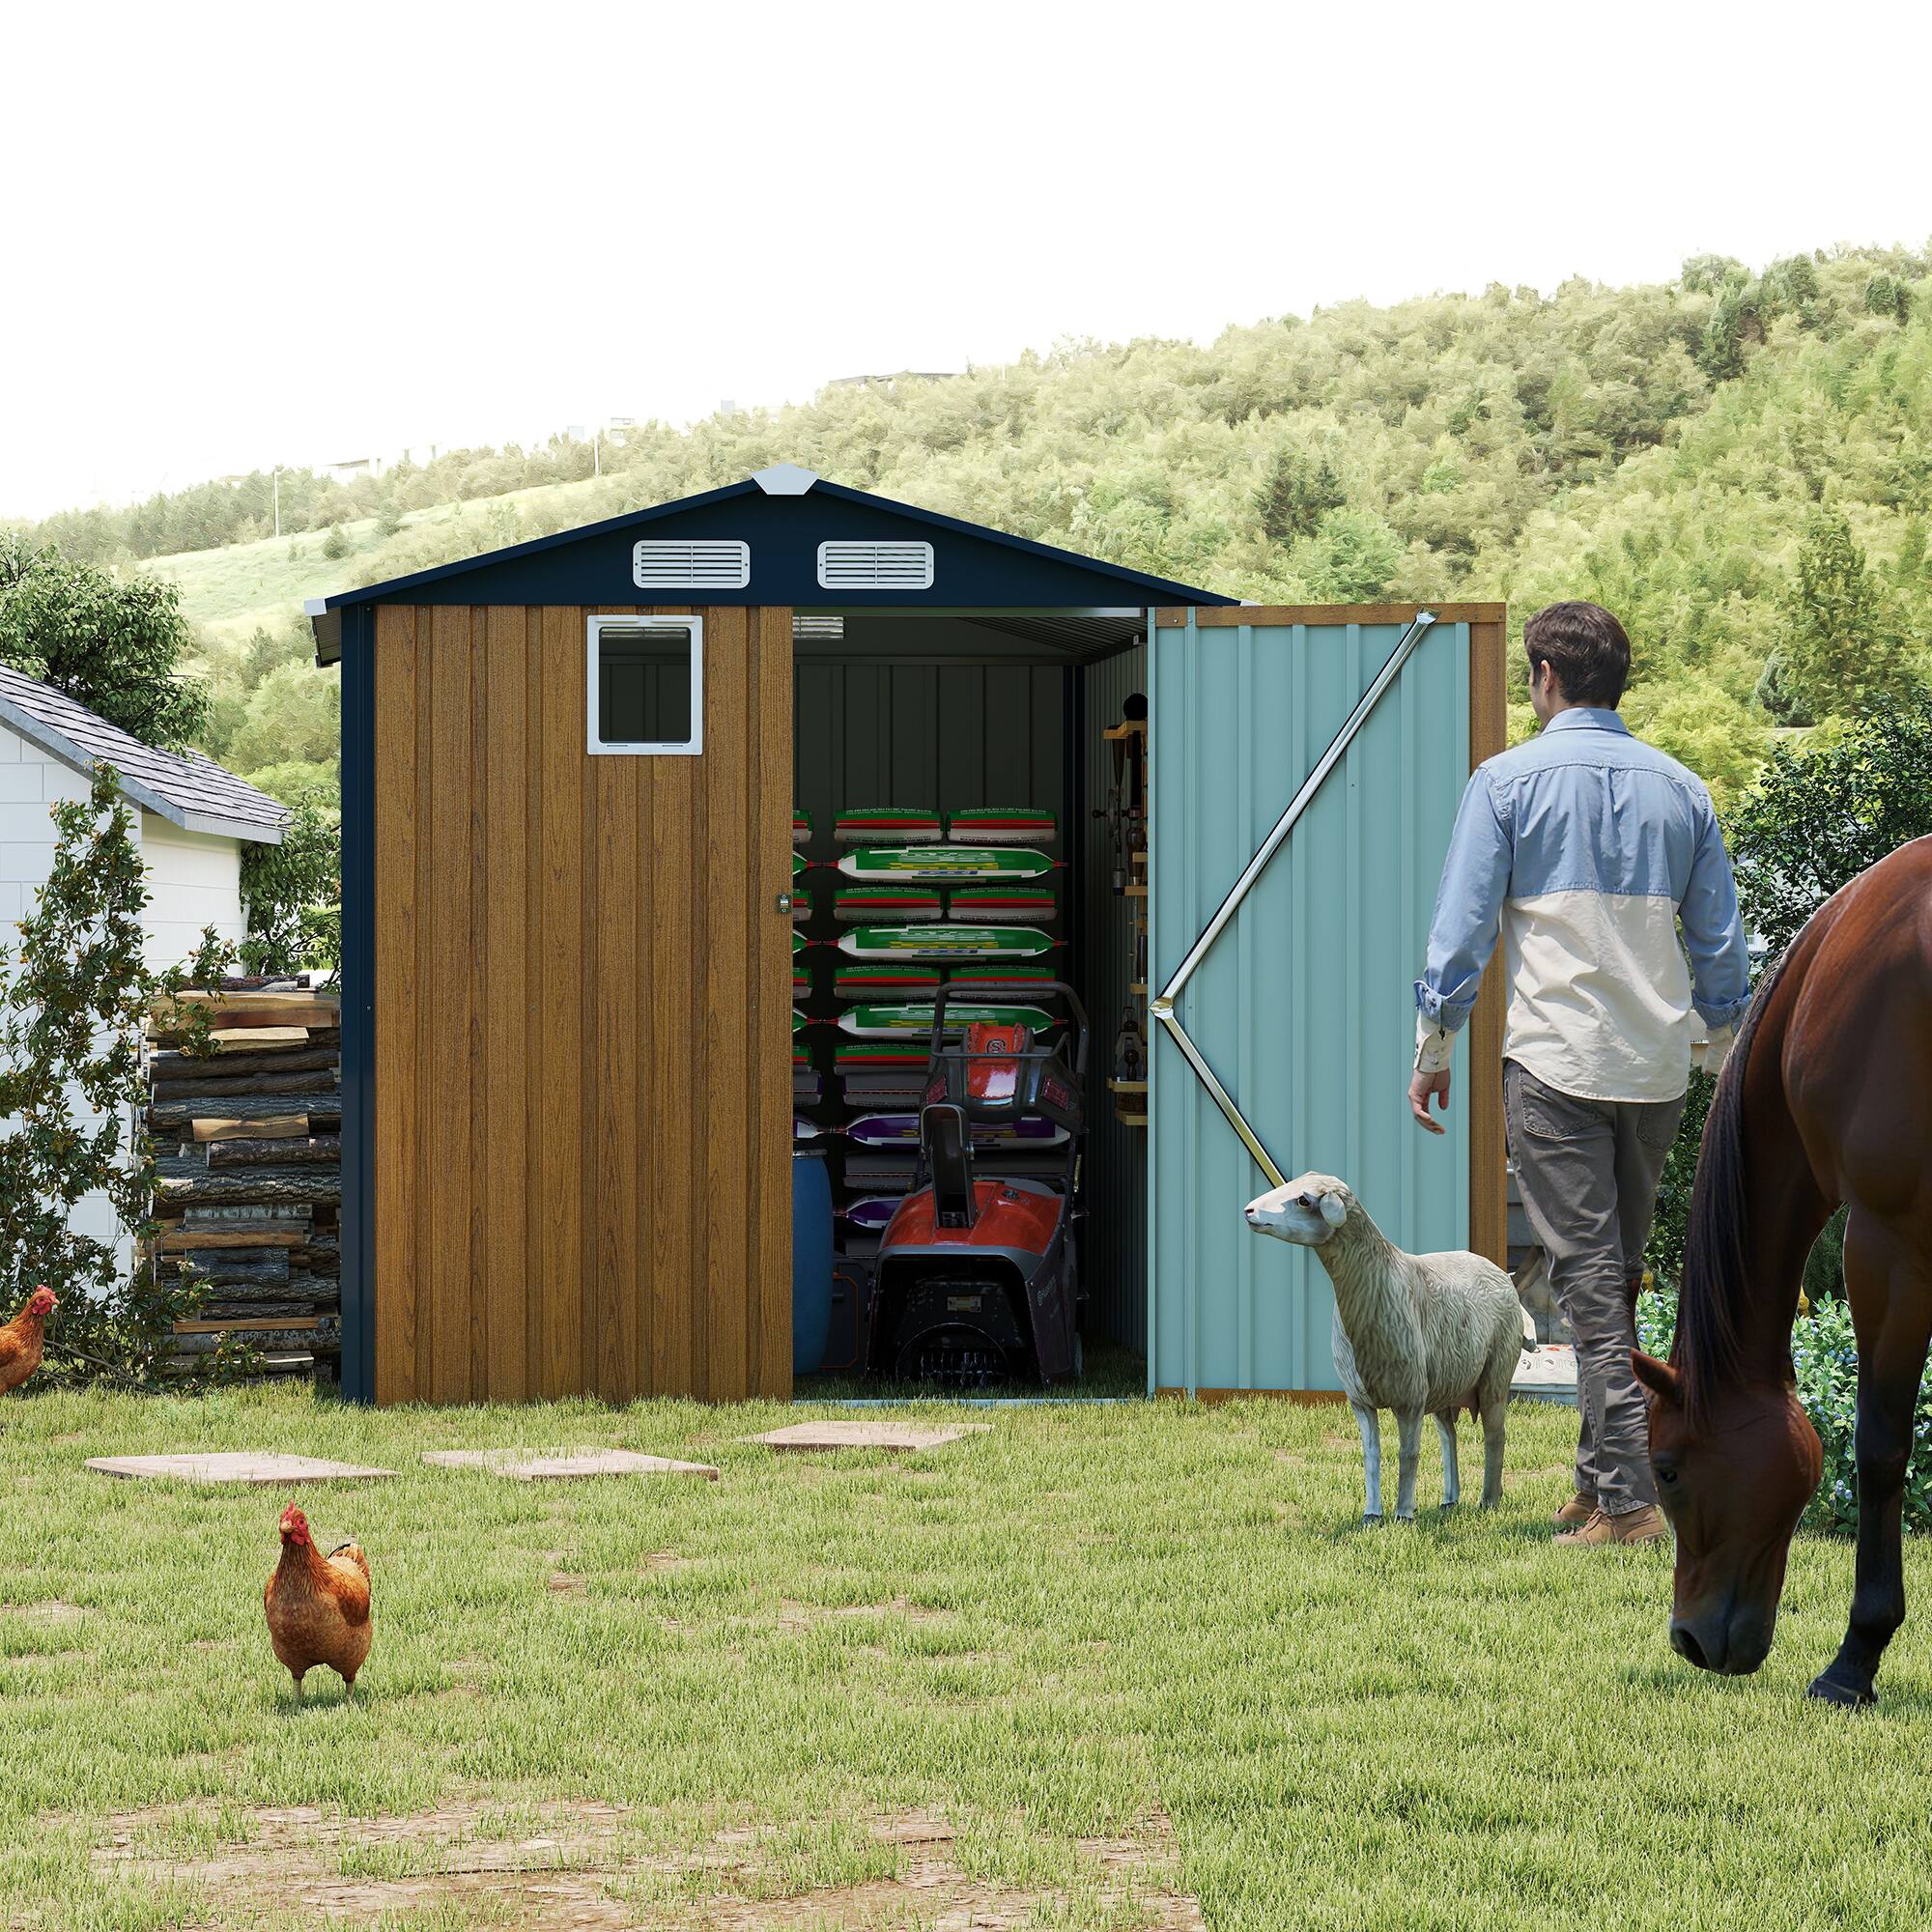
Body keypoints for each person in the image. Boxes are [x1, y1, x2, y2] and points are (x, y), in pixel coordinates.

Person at [1407, 602, 1751, 1547]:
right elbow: (1720, 945)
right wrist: (1722, 1050)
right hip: (1655, 1069)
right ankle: (1597, 1485)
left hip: (1556, 1064)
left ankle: (1631, 1503)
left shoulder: (1505, 782)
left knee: (1593, 1288)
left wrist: (1434, 1049)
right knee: (1614, 1280)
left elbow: (1460, 934)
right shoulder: (1682, 789)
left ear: (1546, 677)